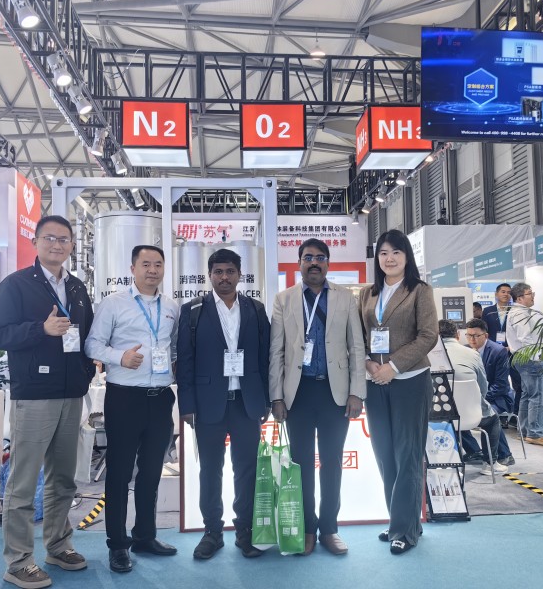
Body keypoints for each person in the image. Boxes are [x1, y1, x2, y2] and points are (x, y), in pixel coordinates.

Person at [0, 215, 95, 589]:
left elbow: (86, 336)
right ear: (35, 242)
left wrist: (86, 373)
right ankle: (18, 561)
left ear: (72, 246)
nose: (57, 245)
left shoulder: (77, 288)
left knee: (63, 479)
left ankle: (58, 546)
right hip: (34, 395)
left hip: (71, 394)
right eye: (49, 238)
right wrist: (41, 329)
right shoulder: (16, 285)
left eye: (64, 239)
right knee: (22, 483)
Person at [85, 245, 180, 574]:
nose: (152, 270)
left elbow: (173, 348)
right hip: (124, 398)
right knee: (120, 473)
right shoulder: (114, 303)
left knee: (152, 472)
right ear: (132, 268)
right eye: (146, 264)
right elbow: (92, 344)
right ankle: (117, 544)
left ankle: (145, 536)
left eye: (158, 264)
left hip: (161, 398)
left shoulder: (171, 307)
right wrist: (120, 357)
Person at [270, 238, 365, 556]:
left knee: (332, 462)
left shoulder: (345, 298)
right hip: (297, 394)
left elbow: (356, 346)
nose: (314, 262)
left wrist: (356, 392)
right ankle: (307, 528)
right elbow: (276, 351)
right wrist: (276, 396)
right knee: (300, 464)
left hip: (334, 393)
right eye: (308, 257)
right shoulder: (284, 299)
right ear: (299, 263)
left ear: (328, 263)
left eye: (320, 257)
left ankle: (329, 529)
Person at [176, 248, 271, 560]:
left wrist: (267, 400)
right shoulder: (193, 311)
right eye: (218, 272)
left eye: (230, 271)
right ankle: (212, 532)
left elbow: (266, 358)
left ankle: (245, 530)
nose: (224, 277)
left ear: (240, 275)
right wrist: (187, 405)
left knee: (246, 470)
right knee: (210, 470)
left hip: (246, 403)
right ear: (210, 275)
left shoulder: (256, 309)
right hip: (208, 405)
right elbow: (185, 362)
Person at [357, 230, 438, 555]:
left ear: (407, 256)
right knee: (385, 455)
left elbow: (428, 335)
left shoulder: (419, 290)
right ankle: (401, 522)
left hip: (410, 381)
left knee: (407, 456)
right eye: (383, 253)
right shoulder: (368, 293)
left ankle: (404, 530)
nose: (389, 259)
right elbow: (359, 335)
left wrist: (393, 366)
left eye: (396, 252)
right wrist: (368, 363)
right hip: (375, 382)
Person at [439, 319, 507, 475]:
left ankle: (445, 462)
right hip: (471, 414)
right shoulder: (473, 354)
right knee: (493, 420)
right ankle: (490, 463)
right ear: (458, 335)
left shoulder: (428, 355)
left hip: (439, 415)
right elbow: (482, 387)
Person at [506, 282, 543, 447]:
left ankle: (525, 431)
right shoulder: (520, 313)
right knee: (538, 397)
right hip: (528, 358)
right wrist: (535, 358)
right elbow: (525, 337)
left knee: (527, 395)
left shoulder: (519, 312)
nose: (533, 296)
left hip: (522, 357)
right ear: (519, 298)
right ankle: (534, 433)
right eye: (529, 293)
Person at [462, 318, 515, 467]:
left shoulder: (498, 352)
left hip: (498, 398)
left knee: (490, 415)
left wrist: (480, 399)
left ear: (485, 335)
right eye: (468, 335)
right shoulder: (465, 351)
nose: (472, 339)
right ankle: (475, 451)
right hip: (474, 398)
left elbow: (500, 384)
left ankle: (504, 455)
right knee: (455, 415)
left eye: (476, 336)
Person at [482, 283, 522, 423]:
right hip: (494, 354)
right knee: (495, 383)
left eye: (509, 292)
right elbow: (484, 331)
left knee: (518, 384)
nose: (506, 294)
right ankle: (498, 414)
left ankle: (515, 415)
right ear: (496, 294)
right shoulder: (488, 311)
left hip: (512, 353)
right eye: (503, 291)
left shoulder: (514, 311)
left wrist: (510, 347)